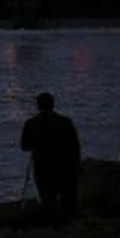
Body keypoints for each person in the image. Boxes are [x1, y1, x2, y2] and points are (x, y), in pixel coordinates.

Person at [20, 92, 82, 223]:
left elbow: (24, 146)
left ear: (38, 106)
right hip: (66, 165)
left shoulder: (31, 123)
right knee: (68, 199)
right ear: (53, 105)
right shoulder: (66, 122)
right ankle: (69, 225)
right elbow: (75, 145)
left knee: (48, 198)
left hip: (43, 166)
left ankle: (52, 225)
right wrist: (77, 164)